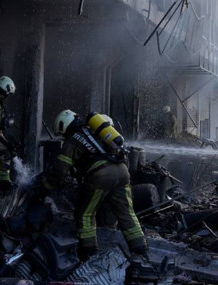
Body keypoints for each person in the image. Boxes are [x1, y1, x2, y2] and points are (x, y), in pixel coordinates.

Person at [41, 110, 147, 260]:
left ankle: (89, 253)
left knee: (85, 214)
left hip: (101, 175)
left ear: (63, 126)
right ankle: (141, 250)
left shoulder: (73, 139)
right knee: (126, 213)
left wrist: (45, 187)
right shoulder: (96, 131)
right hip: (122, 172)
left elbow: (60, 170)